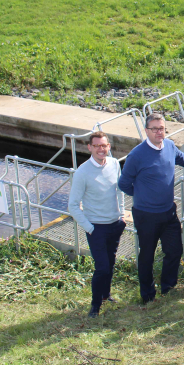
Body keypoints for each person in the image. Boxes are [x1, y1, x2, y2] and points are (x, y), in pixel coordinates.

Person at [119, 113, 184, 302]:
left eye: (162, 128)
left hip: (169, 212)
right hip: (146, 215)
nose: (159, 132)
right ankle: (147, 294)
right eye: (155, 129)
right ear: (146, 131)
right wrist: (142, 196)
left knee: (175, 250)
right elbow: (124, 184)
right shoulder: (136, 155)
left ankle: (168, 286)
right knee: (147, 255)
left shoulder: (169, 145)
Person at [68, 131, 127, 318]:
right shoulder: (82, 173)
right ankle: (95, 307)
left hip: (115, 224)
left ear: (109, 146)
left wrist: (122, 216)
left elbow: (119, 190)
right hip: (96, 228)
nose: (101, 149)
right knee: (101, 267)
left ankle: (105, 295)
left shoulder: (114, 164)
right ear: (89, 148)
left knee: (110, 262)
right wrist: (90, 227)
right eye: (97, 146)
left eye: (104, 145)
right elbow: (72, 205)